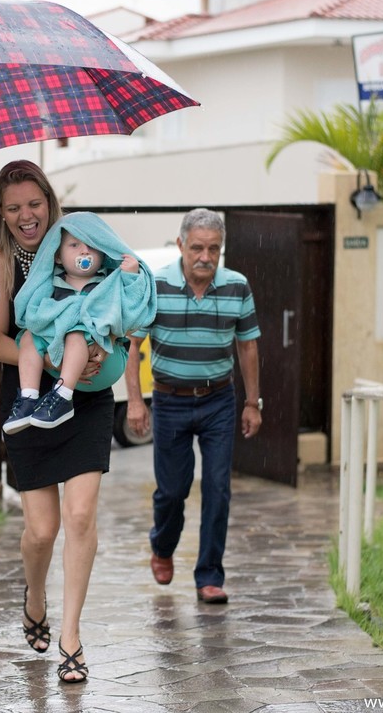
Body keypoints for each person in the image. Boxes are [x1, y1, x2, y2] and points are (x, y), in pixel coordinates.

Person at [0, 163, 147, 684]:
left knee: (79, 516)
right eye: (13, 208)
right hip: (29, 398)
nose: (26, 215)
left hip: (88, 396)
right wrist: (55, 361)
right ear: (0, 214)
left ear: (49, 202)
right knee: (41, 531)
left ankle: (70, 636)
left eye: (34, 204)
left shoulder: (82, 244)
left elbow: (119, 310)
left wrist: (97, 353)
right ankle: (35, 595)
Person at [124, 207, 262, 606]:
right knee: (172, 491)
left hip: (219, 400)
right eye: (198, 248)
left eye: (214, 249)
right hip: (170, 400)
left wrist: (252, 403)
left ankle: (209, 575)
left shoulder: (237, 286)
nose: (206, 257)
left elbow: (248, 346)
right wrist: (135, 401)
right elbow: (133, 346)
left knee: (218, 488)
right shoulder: (156, 285)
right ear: (181, 244)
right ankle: (163, 545)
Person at [4, 220, 146, 434]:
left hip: (103, 359)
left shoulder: (109, 281)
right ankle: (28, 398)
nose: (84, 251)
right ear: (58, 256)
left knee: (75, 333)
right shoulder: (51, 283)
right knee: (27, 337)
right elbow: (37, 313)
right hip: (62, 356)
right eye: (74, 245)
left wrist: (130, 275)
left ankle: (62, 396)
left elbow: (132, 308)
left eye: (92, 246)